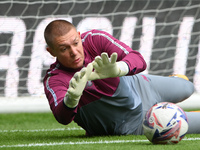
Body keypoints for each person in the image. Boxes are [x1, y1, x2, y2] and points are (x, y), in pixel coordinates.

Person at [43, 19, 200, 136]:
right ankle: (171, 112)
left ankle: (168, 103)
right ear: (51, 51)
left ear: (79, 35)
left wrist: (118, 69)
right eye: (64, 48)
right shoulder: (55, 79)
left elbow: (138, 59)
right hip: (132, 125)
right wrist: (72, 99)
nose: (74, 52)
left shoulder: (94, 39)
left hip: (141, 86)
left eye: (76, 43)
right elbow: (62, 117)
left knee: (188, 87)